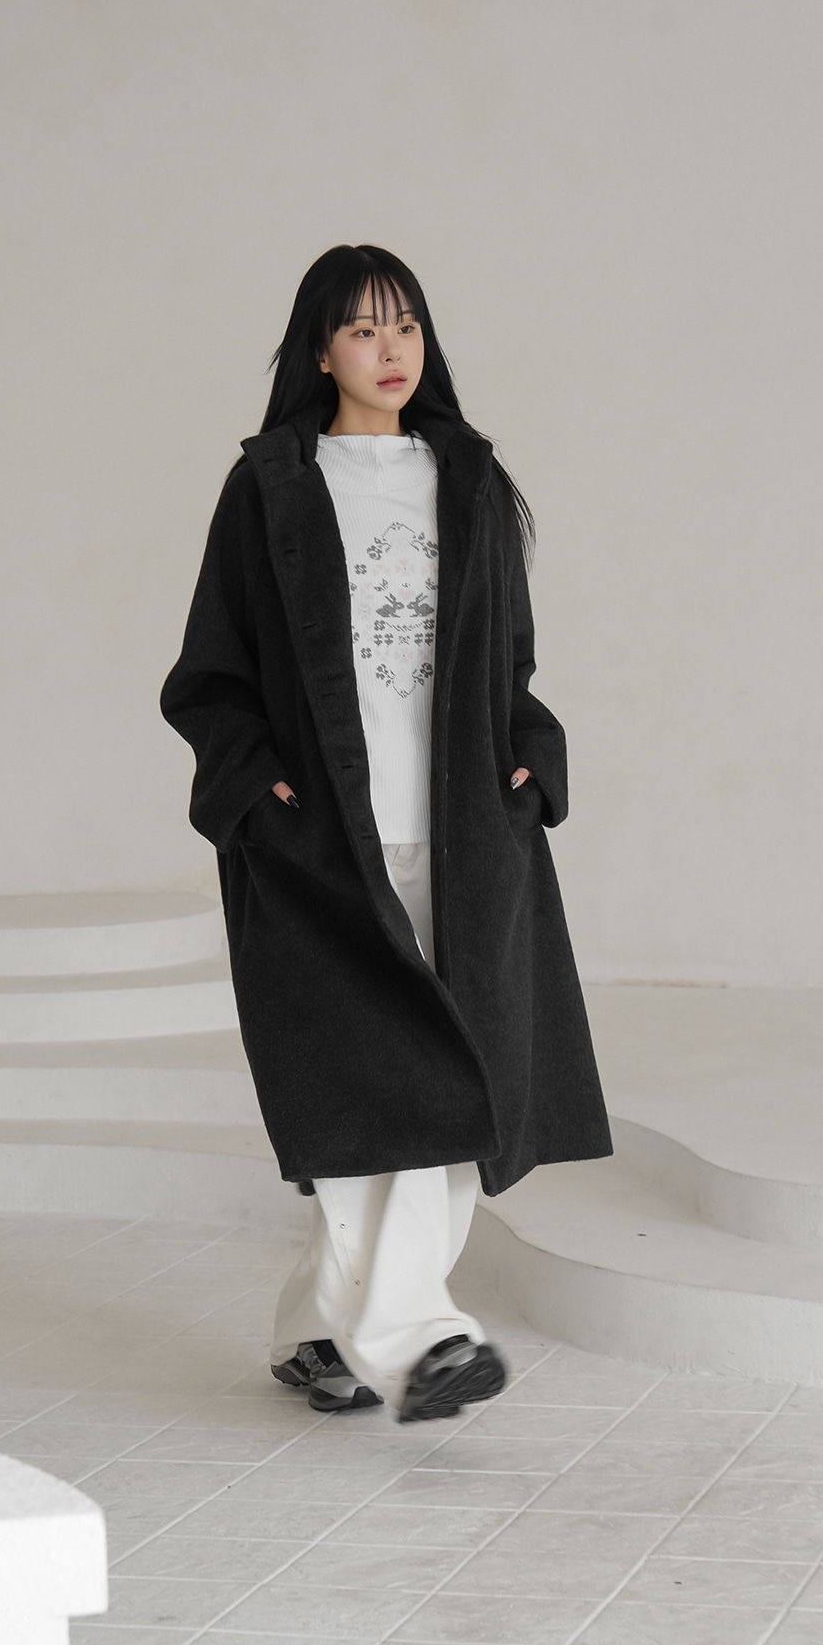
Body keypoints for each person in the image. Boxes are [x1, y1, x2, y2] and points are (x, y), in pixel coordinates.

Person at [159, 249, 612, 1423]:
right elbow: (210, 678)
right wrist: (256, 795)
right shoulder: (270, 488)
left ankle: (321, 1331)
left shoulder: (469, 481)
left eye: (404, 323)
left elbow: (511, 665)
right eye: (361, 330)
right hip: (326, 852)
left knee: (455, 1086)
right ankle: (419, 1343)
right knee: (379, 1092)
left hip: (467, 842)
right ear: (321, 351)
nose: (390, 348)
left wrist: (531, 760)